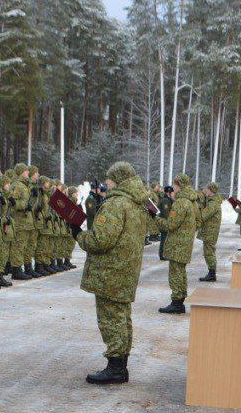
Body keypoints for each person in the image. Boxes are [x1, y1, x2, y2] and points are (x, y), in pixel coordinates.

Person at [77, 161, 148, 384]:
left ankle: (115, 368)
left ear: (118, 180)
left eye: (109, 179)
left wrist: (77, 234)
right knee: (122, 317)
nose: (106, 183)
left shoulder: (116, 204)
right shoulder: (138, 203)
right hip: (126, 270)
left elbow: (101, 240)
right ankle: (121, 366)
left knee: (111, 319)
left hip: (111, 272)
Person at [156, 173, 198, 314]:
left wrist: (155, 218)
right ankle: (179, 300)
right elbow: (198, 221)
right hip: (185, 242)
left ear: (179, 185)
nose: (173, 188)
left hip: (177, 244)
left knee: (175, 273)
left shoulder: (181, 202)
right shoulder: (192, 201)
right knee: (181, 272)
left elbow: (171, 224)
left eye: (175, 185)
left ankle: (176, 302)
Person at [197, 181, 222, 281]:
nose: (205, 190)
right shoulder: (211, 201)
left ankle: (212, 274)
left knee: (209, 252)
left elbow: (203, 215)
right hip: (209, 231)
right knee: (208, 252)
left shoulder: (213, 203)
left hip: (210, 232)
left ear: (211, 190)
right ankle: (211, 272)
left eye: (207, 189)